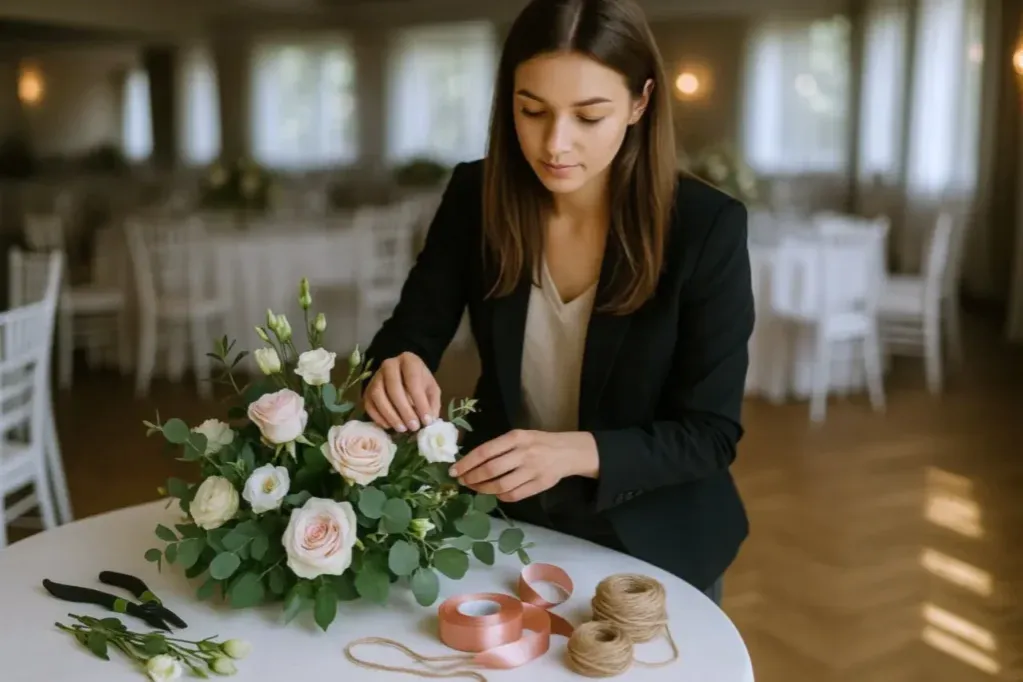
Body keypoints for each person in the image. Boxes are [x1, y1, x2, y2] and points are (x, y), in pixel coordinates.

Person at [363, 0, 754, 606]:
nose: (554, 144)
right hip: (506, 525)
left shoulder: (705, 228)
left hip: (657, 539)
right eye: (532, 111)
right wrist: (394, 366)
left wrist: (572, 450)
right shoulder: (476, 195)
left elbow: (709, 434)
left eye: (588, 116)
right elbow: (408, 333)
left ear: (639, 103)